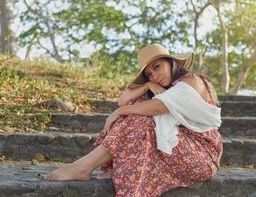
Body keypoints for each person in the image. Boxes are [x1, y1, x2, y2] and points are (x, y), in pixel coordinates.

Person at [45, 43, 223, 197]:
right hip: (179, 150)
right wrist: (146, 85)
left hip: (201, 156)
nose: (155, 76)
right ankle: (116, 166)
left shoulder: (193, 81)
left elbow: (157, 107)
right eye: (149, 74)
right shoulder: (163, 89)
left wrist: (120, 111)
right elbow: (123, 99)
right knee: (138, 109)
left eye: (157, 67)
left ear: (171, 63)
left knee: (141, 117)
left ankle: (83, 166)